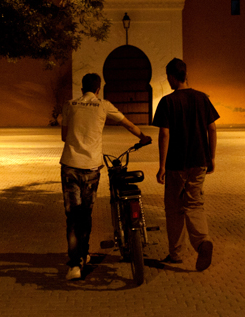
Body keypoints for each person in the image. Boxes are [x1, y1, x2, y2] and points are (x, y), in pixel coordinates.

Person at [60, 72, 150, 281]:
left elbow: (65, 137)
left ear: (82, 88)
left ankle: (75, 264)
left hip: (70, 166)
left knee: (73, 216)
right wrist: (143, 137)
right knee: (86, 213)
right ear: (98, 89)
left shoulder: (70, 104)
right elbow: (127, 123)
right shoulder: (103, 104)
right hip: (91, 167)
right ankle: (84, 254)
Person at [152, 58, 219, 271]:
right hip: (199, 160)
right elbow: (213, 129)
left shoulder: (167, 102)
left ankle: (176, 253)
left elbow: (164, 133)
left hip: (176, 163)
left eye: (168, 77)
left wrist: (162, 166)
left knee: (174, 208)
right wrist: (212, 157)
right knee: (194, 203)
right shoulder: (202, 98)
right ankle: (202, 241)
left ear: (172, 76)